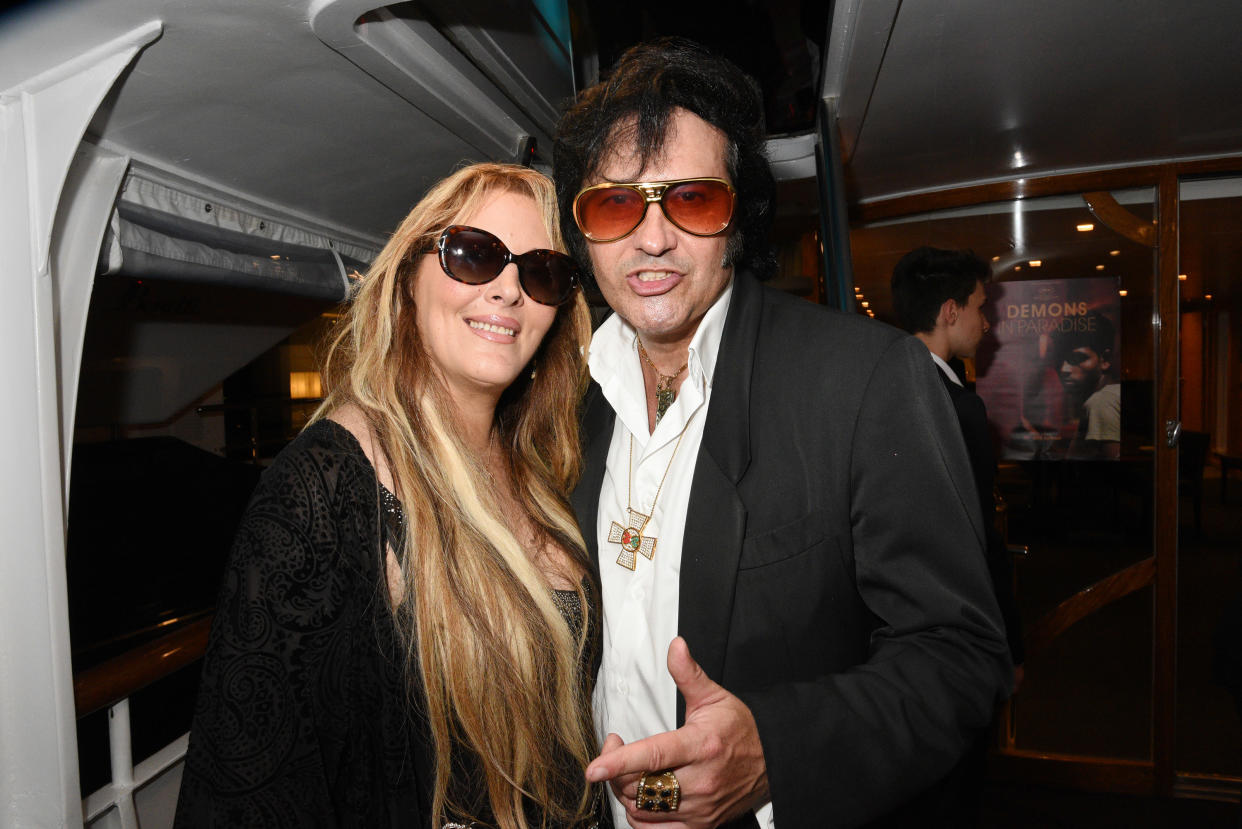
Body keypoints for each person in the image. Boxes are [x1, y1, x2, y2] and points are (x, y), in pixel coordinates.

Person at [553, 37, 1012, 829]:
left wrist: (775, 751)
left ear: (739, 218)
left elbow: (959, 653)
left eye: (692, 199)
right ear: (583, 232)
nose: (652, 237)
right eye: (615, 203)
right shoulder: (566, 402)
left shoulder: (866, 380)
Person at [175, 163, 602, 829]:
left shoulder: (534, 467)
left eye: (542, 271)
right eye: (474, 254)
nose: (510, 289)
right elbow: (249, 790)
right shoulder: (327, 488)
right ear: (408, 277)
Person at [890, 246, 1026, 825]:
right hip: (954, 633)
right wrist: (1009, 645)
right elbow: (979, 540)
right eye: (978, 305)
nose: (986, 319)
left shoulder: (876, 388)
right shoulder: (957, 408)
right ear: (949, 311)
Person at [1054, 311, 1121, 459]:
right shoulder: (1106, 397)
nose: (1063, 369)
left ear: (1105, 359)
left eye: (1077, 358)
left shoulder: (1101, 402)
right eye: (1059, 359)